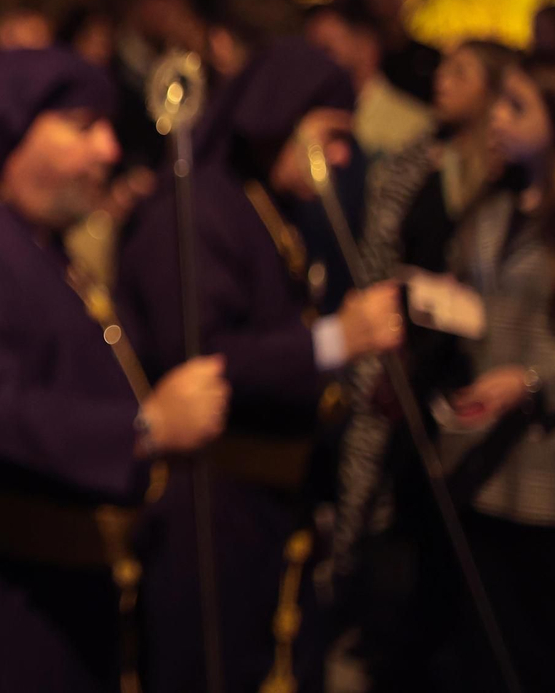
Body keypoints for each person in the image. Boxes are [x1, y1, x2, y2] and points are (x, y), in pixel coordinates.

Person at [0, 47, 231, 692]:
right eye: (84, 126)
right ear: (11, 129)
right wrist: (142, 430)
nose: (110, 149)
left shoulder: (37, 238)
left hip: (49, 589)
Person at [115, 39, 406, 693]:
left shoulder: (260, 200)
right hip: (210, 500)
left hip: (269, 498)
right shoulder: (195, 208)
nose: (340, 157)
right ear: (283, 112)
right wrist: (335, 340)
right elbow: (202, 356)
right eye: (330, 135)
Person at [331, 39, 514, 687]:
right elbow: (380, 252)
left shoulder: (505, 172)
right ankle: (383, 638)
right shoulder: (416, 158)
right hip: (401, 361)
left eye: (461, 72)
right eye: (443, 67)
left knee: (451, 527)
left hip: (468, 371)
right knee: (391, 512)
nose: (442, 79)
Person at [427, 54, 555, 692]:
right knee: (490, 655)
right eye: (497, 102)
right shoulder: (494, 205)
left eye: (516, 107)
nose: (495, 117)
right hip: (483, 464)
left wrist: (533, 381)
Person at [305, 0, 434, 166]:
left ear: (367, 46)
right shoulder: (314, 117)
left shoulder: (413, 126)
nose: (316, 63)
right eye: (311, 52)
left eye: (327, 49)